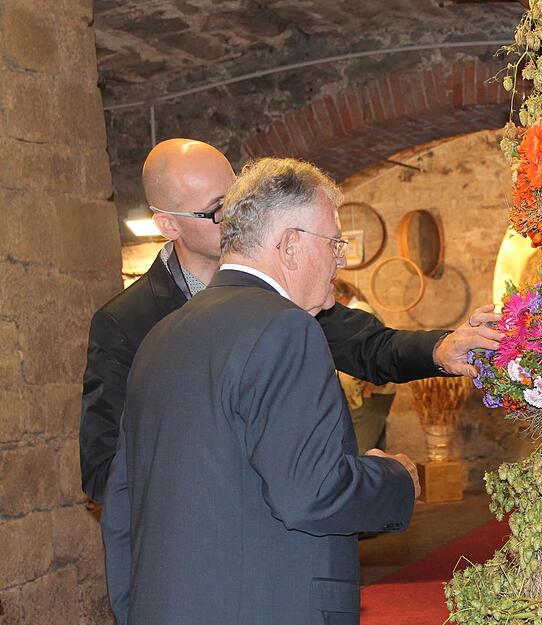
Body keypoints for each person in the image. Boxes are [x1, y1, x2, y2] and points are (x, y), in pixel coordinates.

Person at [102, 157, 437, 624]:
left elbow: (121, 508)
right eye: (334, 242)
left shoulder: (161, 336)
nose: (340, 259)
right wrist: (394, 478)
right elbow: (310, 491)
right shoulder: (285, 328)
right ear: (291, 245)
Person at [80, 138, 500, 503]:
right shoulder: (125, 323)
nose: (237, 216)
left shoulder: (282, 290)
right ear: (168, 224)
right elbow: (103, 471)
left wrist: (440, 350)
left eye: (238, 198)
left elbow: (366, 344)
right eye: (217, 210)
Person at [332, 279, 397, 453]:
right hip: (367, 394)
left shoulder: (359, 310)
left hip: (369, 395)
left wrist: (368, 389)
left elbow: (375, 352)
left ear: (340, 297)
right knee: (374, 449)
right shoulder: (359, 310)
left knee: (361, 450)